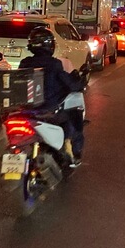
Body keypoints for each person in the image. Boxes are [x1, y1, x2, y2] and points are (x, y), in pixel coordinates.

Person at [18, 26, 86, 164]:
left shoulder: (24, 63)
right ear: (50, 45)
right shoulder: (54, 64)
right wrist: (79, 81)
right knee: (74, 117)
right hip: (47, 110)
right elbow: (72, 85)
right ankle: (71, 150)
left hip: (25, 110)